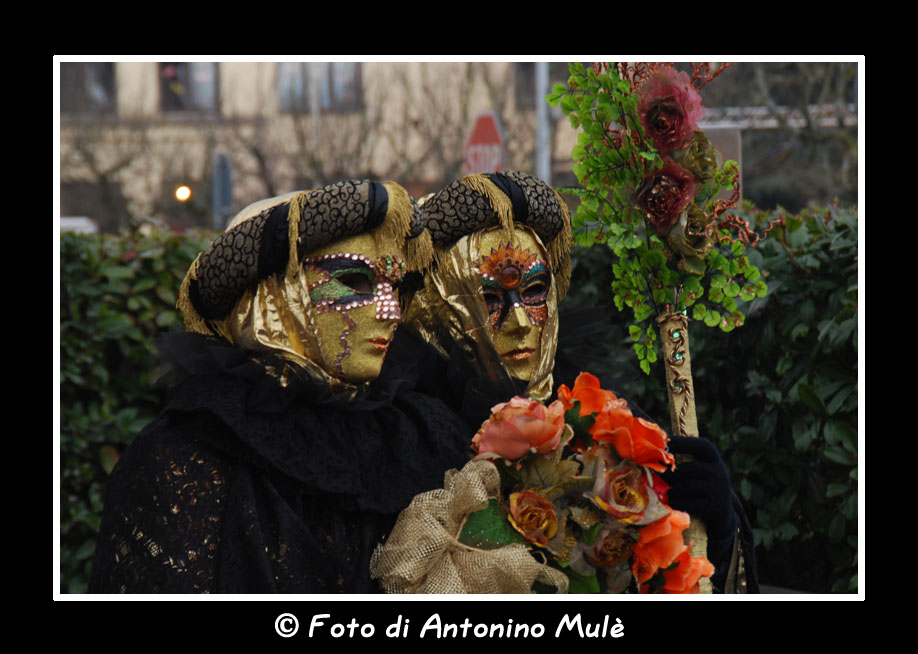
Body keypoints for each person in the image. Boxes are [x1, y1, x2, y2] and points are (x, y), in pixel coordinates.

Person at [88, 179, 474, 593]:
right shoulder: (186, 453)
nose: (390, 311)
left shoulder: (416, 433)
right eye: (355, 282)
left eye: (394, 286)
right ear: (271, 299)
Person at [395, 171, 757, 593]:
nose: (518, 322)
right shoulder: (408, 437)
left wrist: (715, 529)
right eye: (489, 300)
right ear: (438, 308)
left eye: (533, 291)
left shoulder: (599, 418)